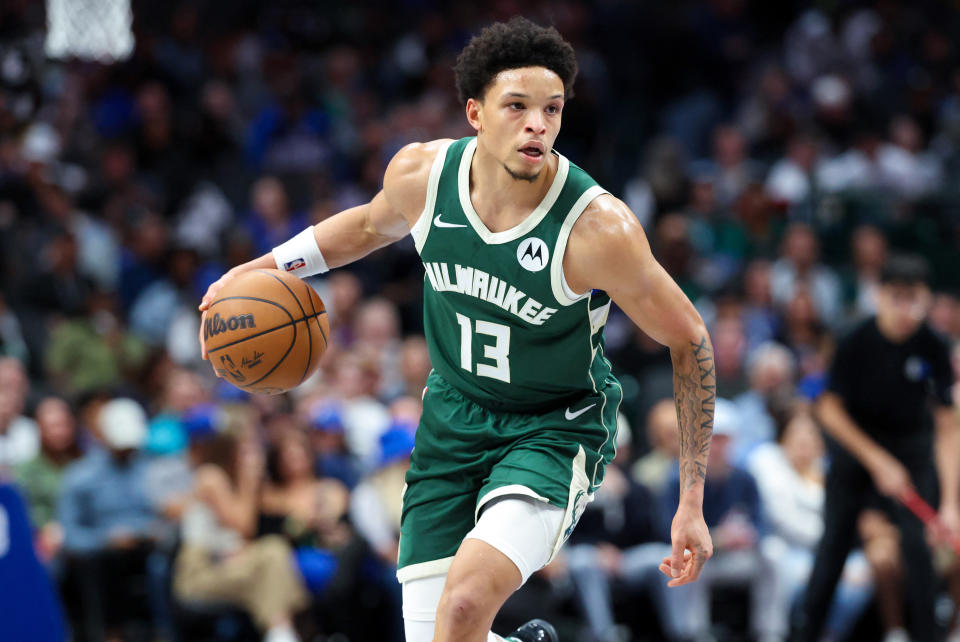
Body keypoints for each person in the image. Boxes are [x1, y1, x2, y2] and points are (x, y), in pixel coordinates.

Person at [200, 18, 716, 642]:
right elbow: (365, 227)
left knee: (465, 608)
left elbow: (689, 337)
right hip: (451, 419)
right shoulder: (423, 176)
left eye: (552, 109)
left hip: (552, 429)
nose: (539, 125)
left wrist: (691, 499)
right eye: (517, 107)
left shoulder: (597, 229)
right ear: (475, 112)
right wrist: (256, 270)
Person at [797, 255, 960, 642]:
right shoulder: (853, 339)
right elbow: (829, 411)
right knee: (832, 550)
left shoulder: (935, 346)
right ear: (880, 296)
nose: (906, 310)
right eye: (897, 298)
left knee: (919, 552)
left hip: (913, 454)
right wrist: (877, 460)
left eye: (915, 299)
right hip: (856, 454)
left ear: (927, 299)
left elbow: (947, 426)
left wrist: (951, 504)